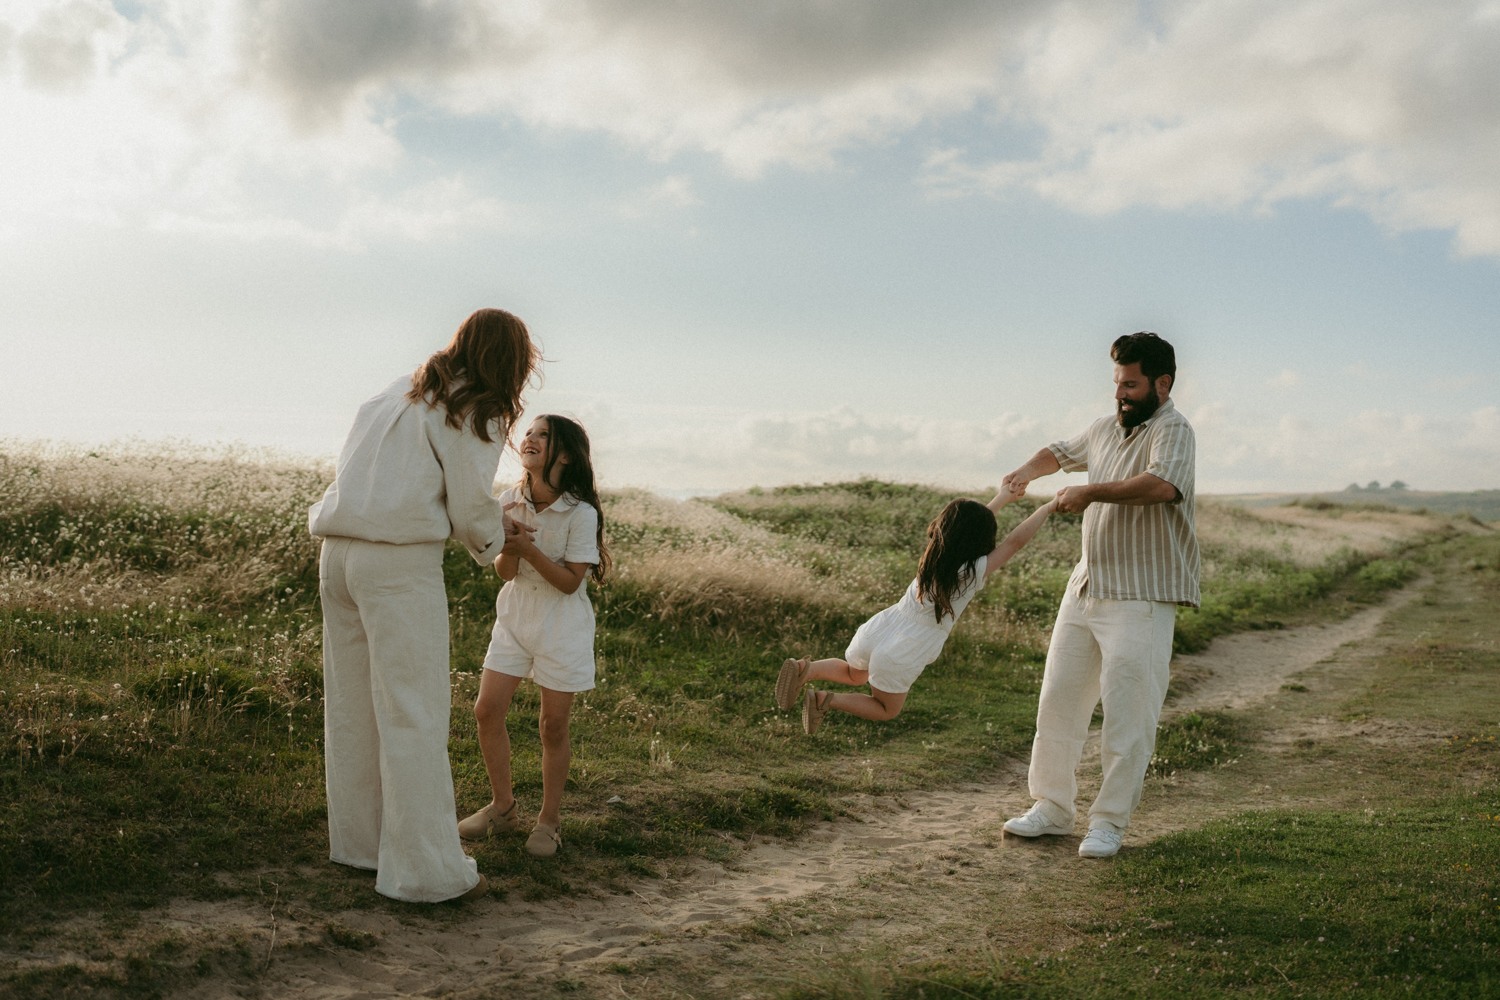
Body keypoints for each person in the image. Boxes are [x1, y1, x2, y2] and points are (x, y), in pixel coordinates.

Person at [308, 308, 541, 903]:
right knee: (413, 710)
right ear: (509, 361)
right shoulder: (474, 408)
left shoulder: (397, 392)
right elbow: (470, 509)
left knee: (354, 708)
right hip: (395, 564)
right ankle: (423, 871)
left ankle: (361, 848)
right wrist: (501, 535)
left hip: (336, 555)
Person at [1000, 332, 1199, 859]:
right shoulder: (1104, 429)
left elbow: (1161, 485)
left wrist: (1088, 491)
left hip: (1143, 596)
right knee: (1059, 702)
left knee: (1128, 716)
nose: (1121, 395)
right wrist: (1025, 471)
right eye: (1117, 384)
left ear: (1163, 383)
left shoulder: (1174, 430)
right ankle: (1052, 809)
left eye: (1131, 385)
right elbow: (1060, 452)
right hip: (1086, 588)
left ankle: (1108, 823)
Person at [777, 483, 1056, 733]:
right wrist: (1048, 506)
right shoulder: (970, 573)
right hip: (907, 645)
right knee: (886, 708)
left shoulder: (933, 554)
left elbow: (963, 525)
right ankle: (825, 700)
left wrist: (1002, 498)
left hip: (882, 628)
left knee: (853, 673)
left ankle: (807, 668)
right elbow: (1014, 543)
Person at [457, 415, 610, 858]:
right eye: (528, 432)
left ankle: (549, 822)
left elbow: (569, 583)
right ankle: (503, 810)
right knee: (486, 710)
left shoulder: (581, 513)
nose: (529, 438)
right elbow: (505, 571)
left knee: (552, 726)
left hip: (561, 626)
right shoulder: (507, 501)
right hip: (515, 618)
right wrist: (509, 546)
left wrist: (528, 548)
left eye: (543, 434)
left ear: (564, 455)